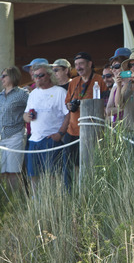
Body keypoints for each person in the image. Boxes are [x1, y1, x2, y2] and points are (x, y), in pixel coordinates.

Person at [23, 64, 69, 194]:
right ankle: (37, 203)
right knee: (33, 174)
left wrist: (60, 133)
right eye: (35, 76)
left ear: (49, 75)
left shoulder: (60, 92)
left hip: (51, 139)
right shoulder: (33, 94)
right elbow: (25, 116)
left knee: (52, 175)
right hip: (34, 139)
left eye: (41, 75)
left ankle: (53, 201)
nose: (37, 78)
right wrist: (28, 116)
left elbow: (68, 114)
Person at [64, 52, 107, 182]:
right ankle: (71, 193)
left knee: (90, 163)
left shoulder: (100, 80)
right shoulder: (74, 82)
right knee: (70, 165)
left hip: (91, 130)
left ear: (90, 64)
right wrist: (70, 106)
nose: (78, 67)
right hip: (72, 130)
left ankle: (87, 189)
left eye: (81, 63)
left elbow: (106, 104)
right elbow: (67, 102)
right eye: (76, 65)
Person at [0, 66, 28, 192]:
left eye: (4, 75)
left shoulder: (22, 94)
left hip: (15, 136)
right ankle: (5, 203)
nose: (1, 78)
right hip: (1, 137)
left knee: (13, 171)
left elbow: (33, 109)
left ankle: (15, 200)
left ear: (13, 76)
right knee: (2, 172)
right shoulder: (0, 95)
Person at [106, 48, 132, 123]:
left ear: (126, 65)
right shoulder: (115, 87)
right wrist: (123, 108)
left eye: (117, 66)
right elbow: (108, 111)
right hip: (119, 127)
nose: (113, 70)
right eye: (112, 67)